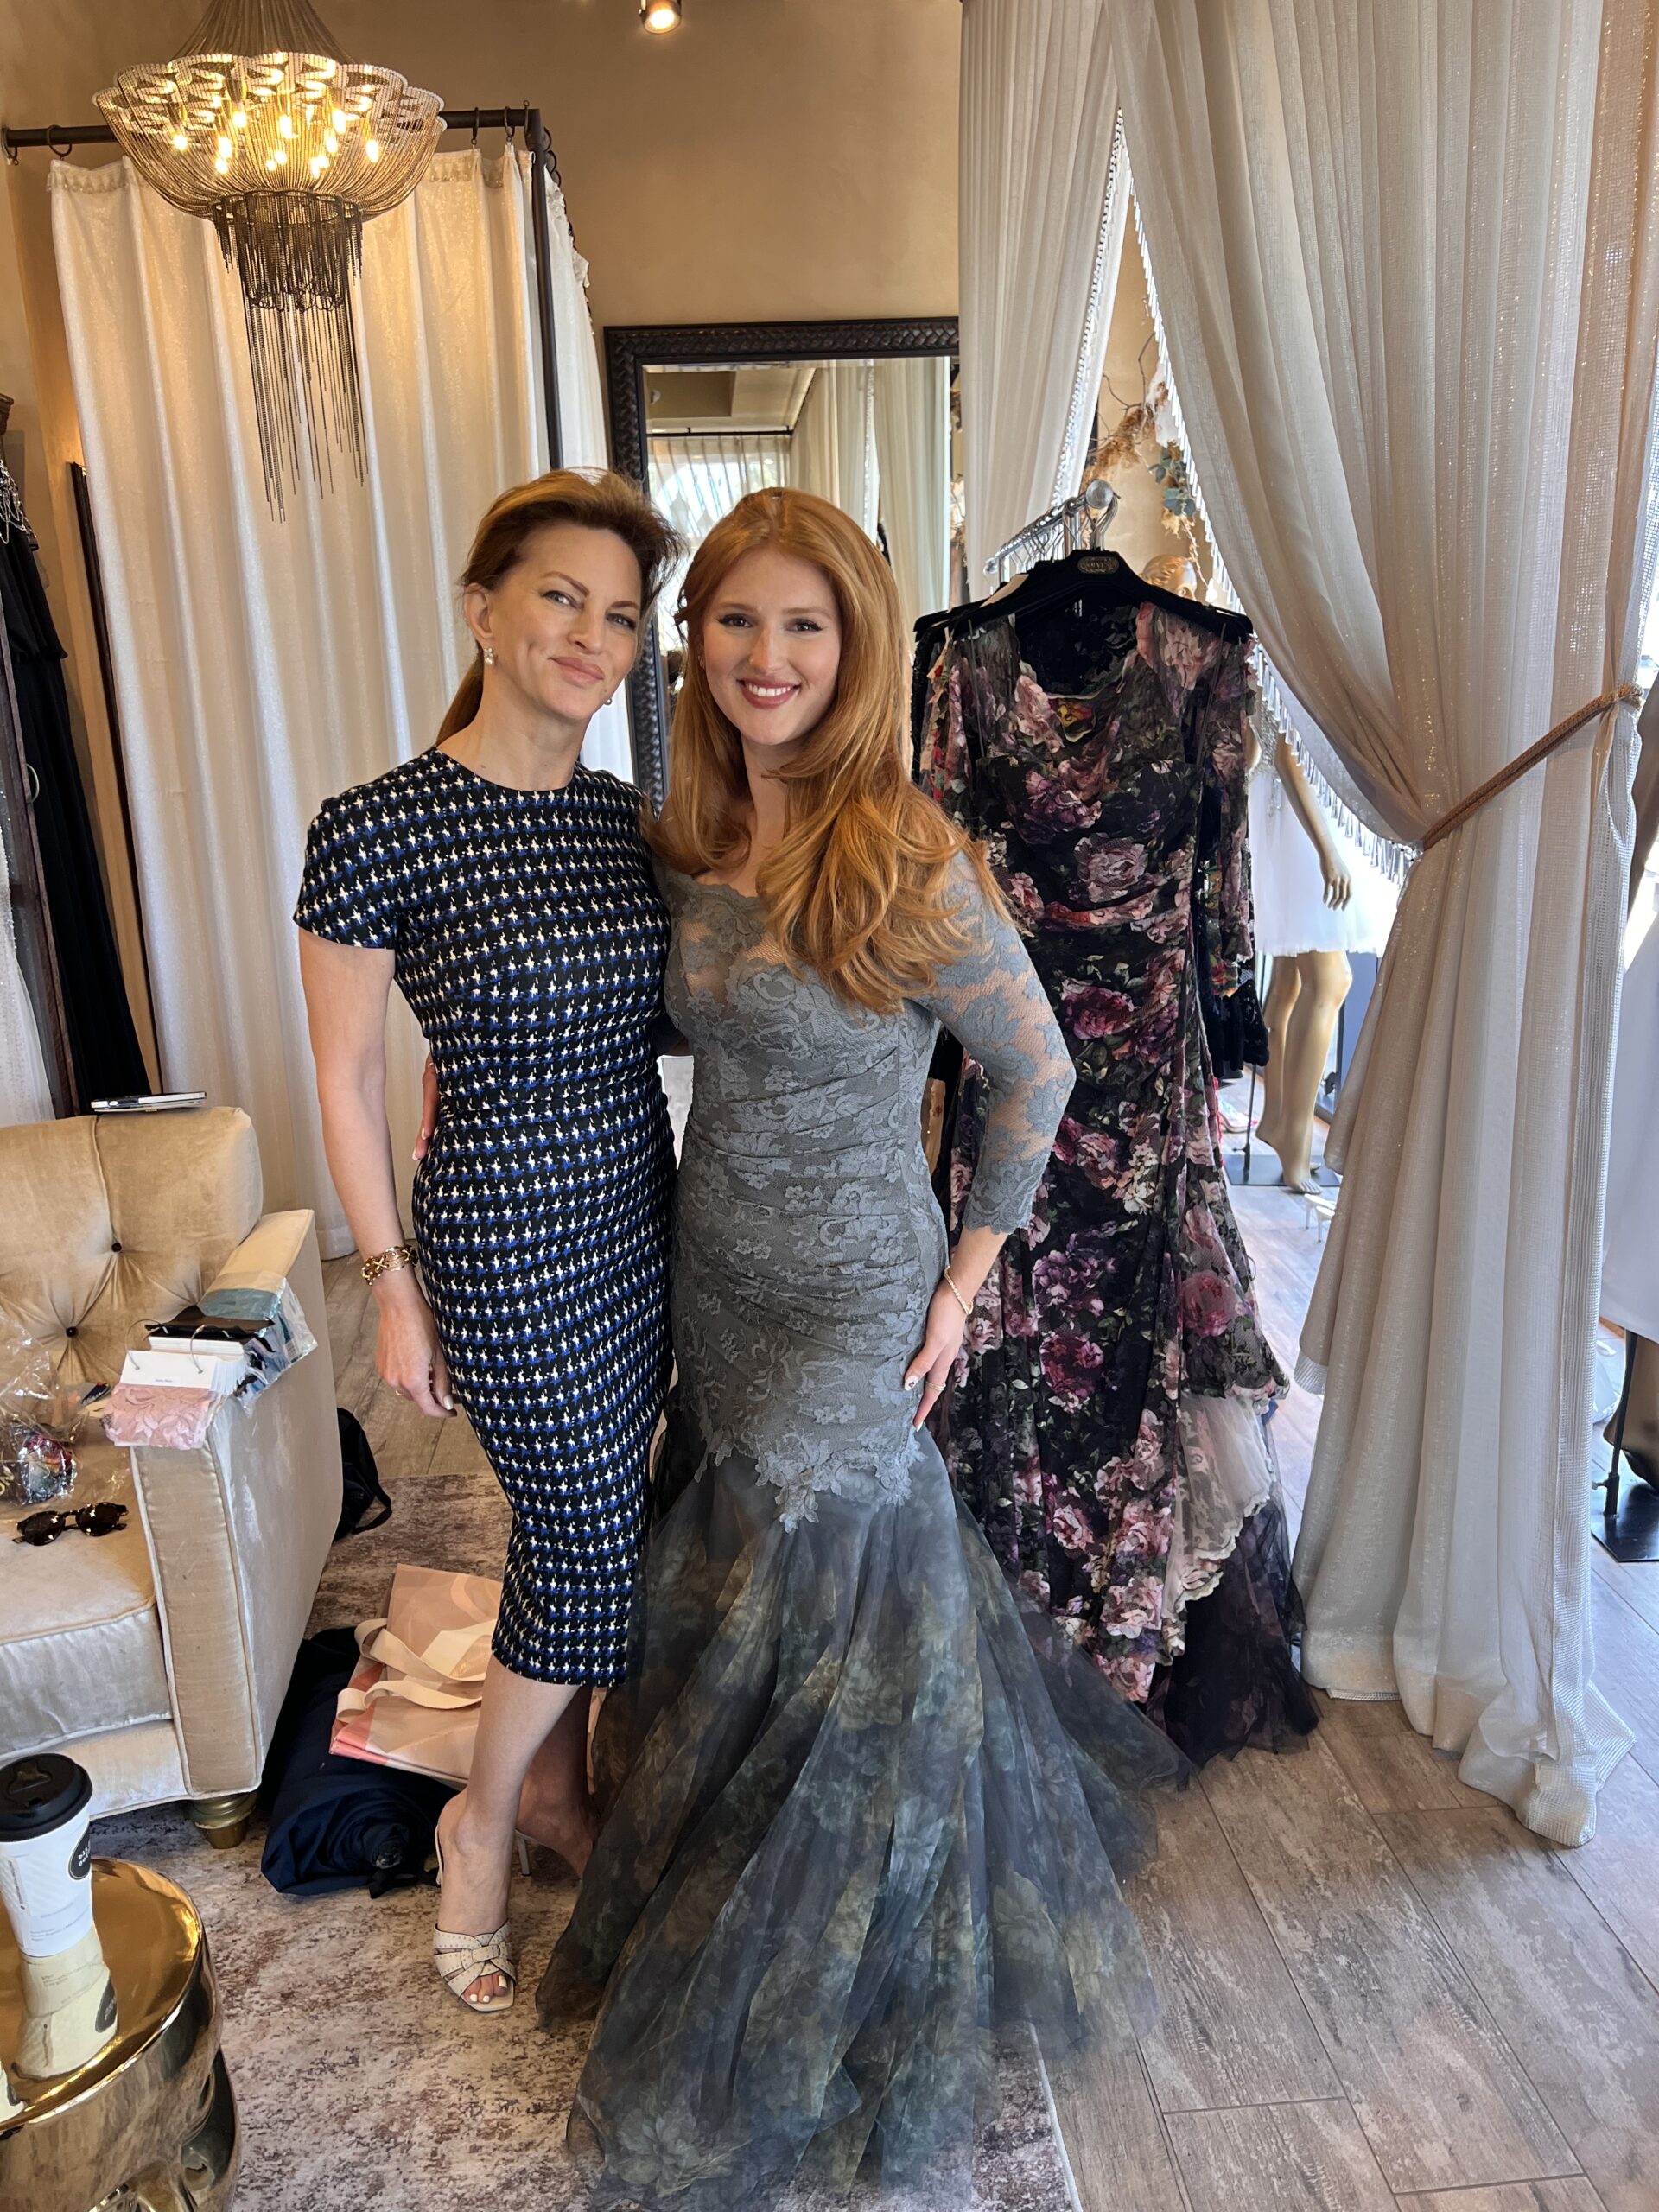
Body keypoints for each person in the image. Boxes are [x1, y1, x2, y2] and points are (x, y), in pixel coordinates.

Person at [520, 487, 1182, 2210]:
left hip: (853, 1294)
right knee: (737, 1575)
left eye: (805, 624)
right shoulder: (678, 836)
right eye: (737, 620)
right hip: (713, 1271)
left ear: (859, 647)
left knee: (844, 1614)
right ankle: (702, 1867)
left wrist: (961, 1287)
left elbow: (1036, 1071)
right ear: (698, 643)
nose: (768, 655)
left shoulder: (905, 851)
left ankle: (821, 1973)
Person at [294, 469, 681, 2012]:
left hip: (635, 1209)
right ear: (484, 611)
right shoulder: (380, 824)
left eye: (622, 613)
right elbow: (345, 1073)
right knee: (586, 1534)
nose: (594, 634)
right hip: (502, 1232)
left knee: (602, 1533)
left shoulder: (619, 825)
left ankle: (564, 1790)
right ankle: (485, 1822)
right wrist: (391, 1284)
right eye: (561, 598)